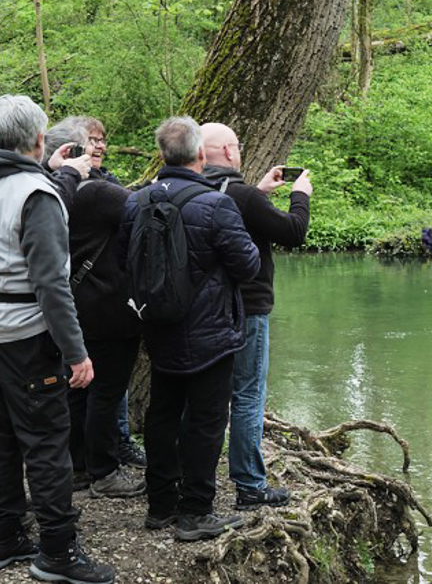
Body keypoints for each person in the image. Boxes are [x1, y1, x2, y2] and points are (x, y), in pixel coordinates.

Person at [120, 117, 260, 542]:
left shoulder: (136, 201)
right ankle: (196, 512)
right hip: (210, 333)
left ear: (162, 154)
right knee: (205, 421)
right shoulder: (217, 205)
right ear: (200, 154)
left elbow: (127, 260)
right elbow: (248, 265)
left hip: (158, 325)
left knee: (162, 414)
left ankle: (160, 506)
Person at [0, 94, 114, 584]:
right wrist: (76, 352)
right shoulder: (36, 194)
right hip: (29, 337)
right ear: (38, 139)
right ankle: (58, 552)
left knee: (3, 440)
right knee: (47, 444)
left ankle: (6, 536)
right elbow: (51, 284)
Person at [200, 123, 311, 510]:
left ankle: (191, 480)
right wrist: (300, 196)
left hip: (203, 310)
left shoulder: (197, 190)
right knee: (247, 394)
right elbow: (294, 232)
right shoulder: (243, 196)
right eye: (238, 145)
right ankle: (249, 485)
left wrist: (260, 193)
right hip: (248, 307)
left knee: (204, 395)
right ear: (229, 152)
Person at [41, 128, 145, 500]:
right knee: (106, 391)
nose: (99, 146)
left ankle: (79, 466)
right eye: (92, 142)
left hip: (72, 305)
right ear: (71, 151)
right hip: (108, 308)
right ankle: (104, 472)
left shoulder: (49, 191)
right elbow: (148, 208)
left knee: (78, 389)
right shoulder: (98, 192)